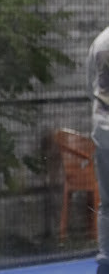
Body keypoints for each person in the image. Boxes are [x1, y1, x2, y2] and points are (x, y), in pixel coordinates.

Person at [87, 26, 109, 274]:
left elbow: (89, 87)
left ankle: (106, 260)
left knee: (107, 200)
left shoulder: (100, 41)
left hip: (103, 131)